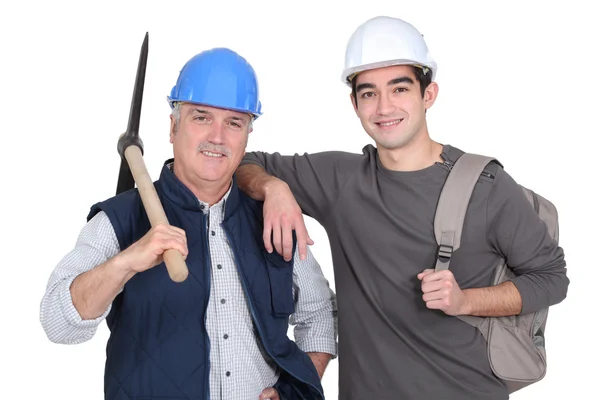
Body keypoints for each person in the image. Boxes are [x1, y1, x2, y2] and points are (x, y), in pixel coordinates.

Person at [235, 16, 569, 400]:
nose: (384, 107)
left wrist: (467, 300)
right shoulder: (339, 180)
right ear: (354, 103)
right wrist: (273, 187)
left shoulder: (486, 187)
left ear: (429, 95)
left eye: (399, 89)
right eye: (369, 93)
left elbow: (551, 278)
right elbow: (245, 160)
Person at [39, 47, 337, 400]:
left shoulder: (274, 219)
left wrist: (294, 391)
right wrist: (125, 262)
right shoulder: (119, 221)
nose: (217, 136)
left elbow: (319, 314)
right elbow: (58, 323)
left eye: (234, 123)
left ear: (246, 137)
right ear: (173, 126)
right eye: (201, 117)